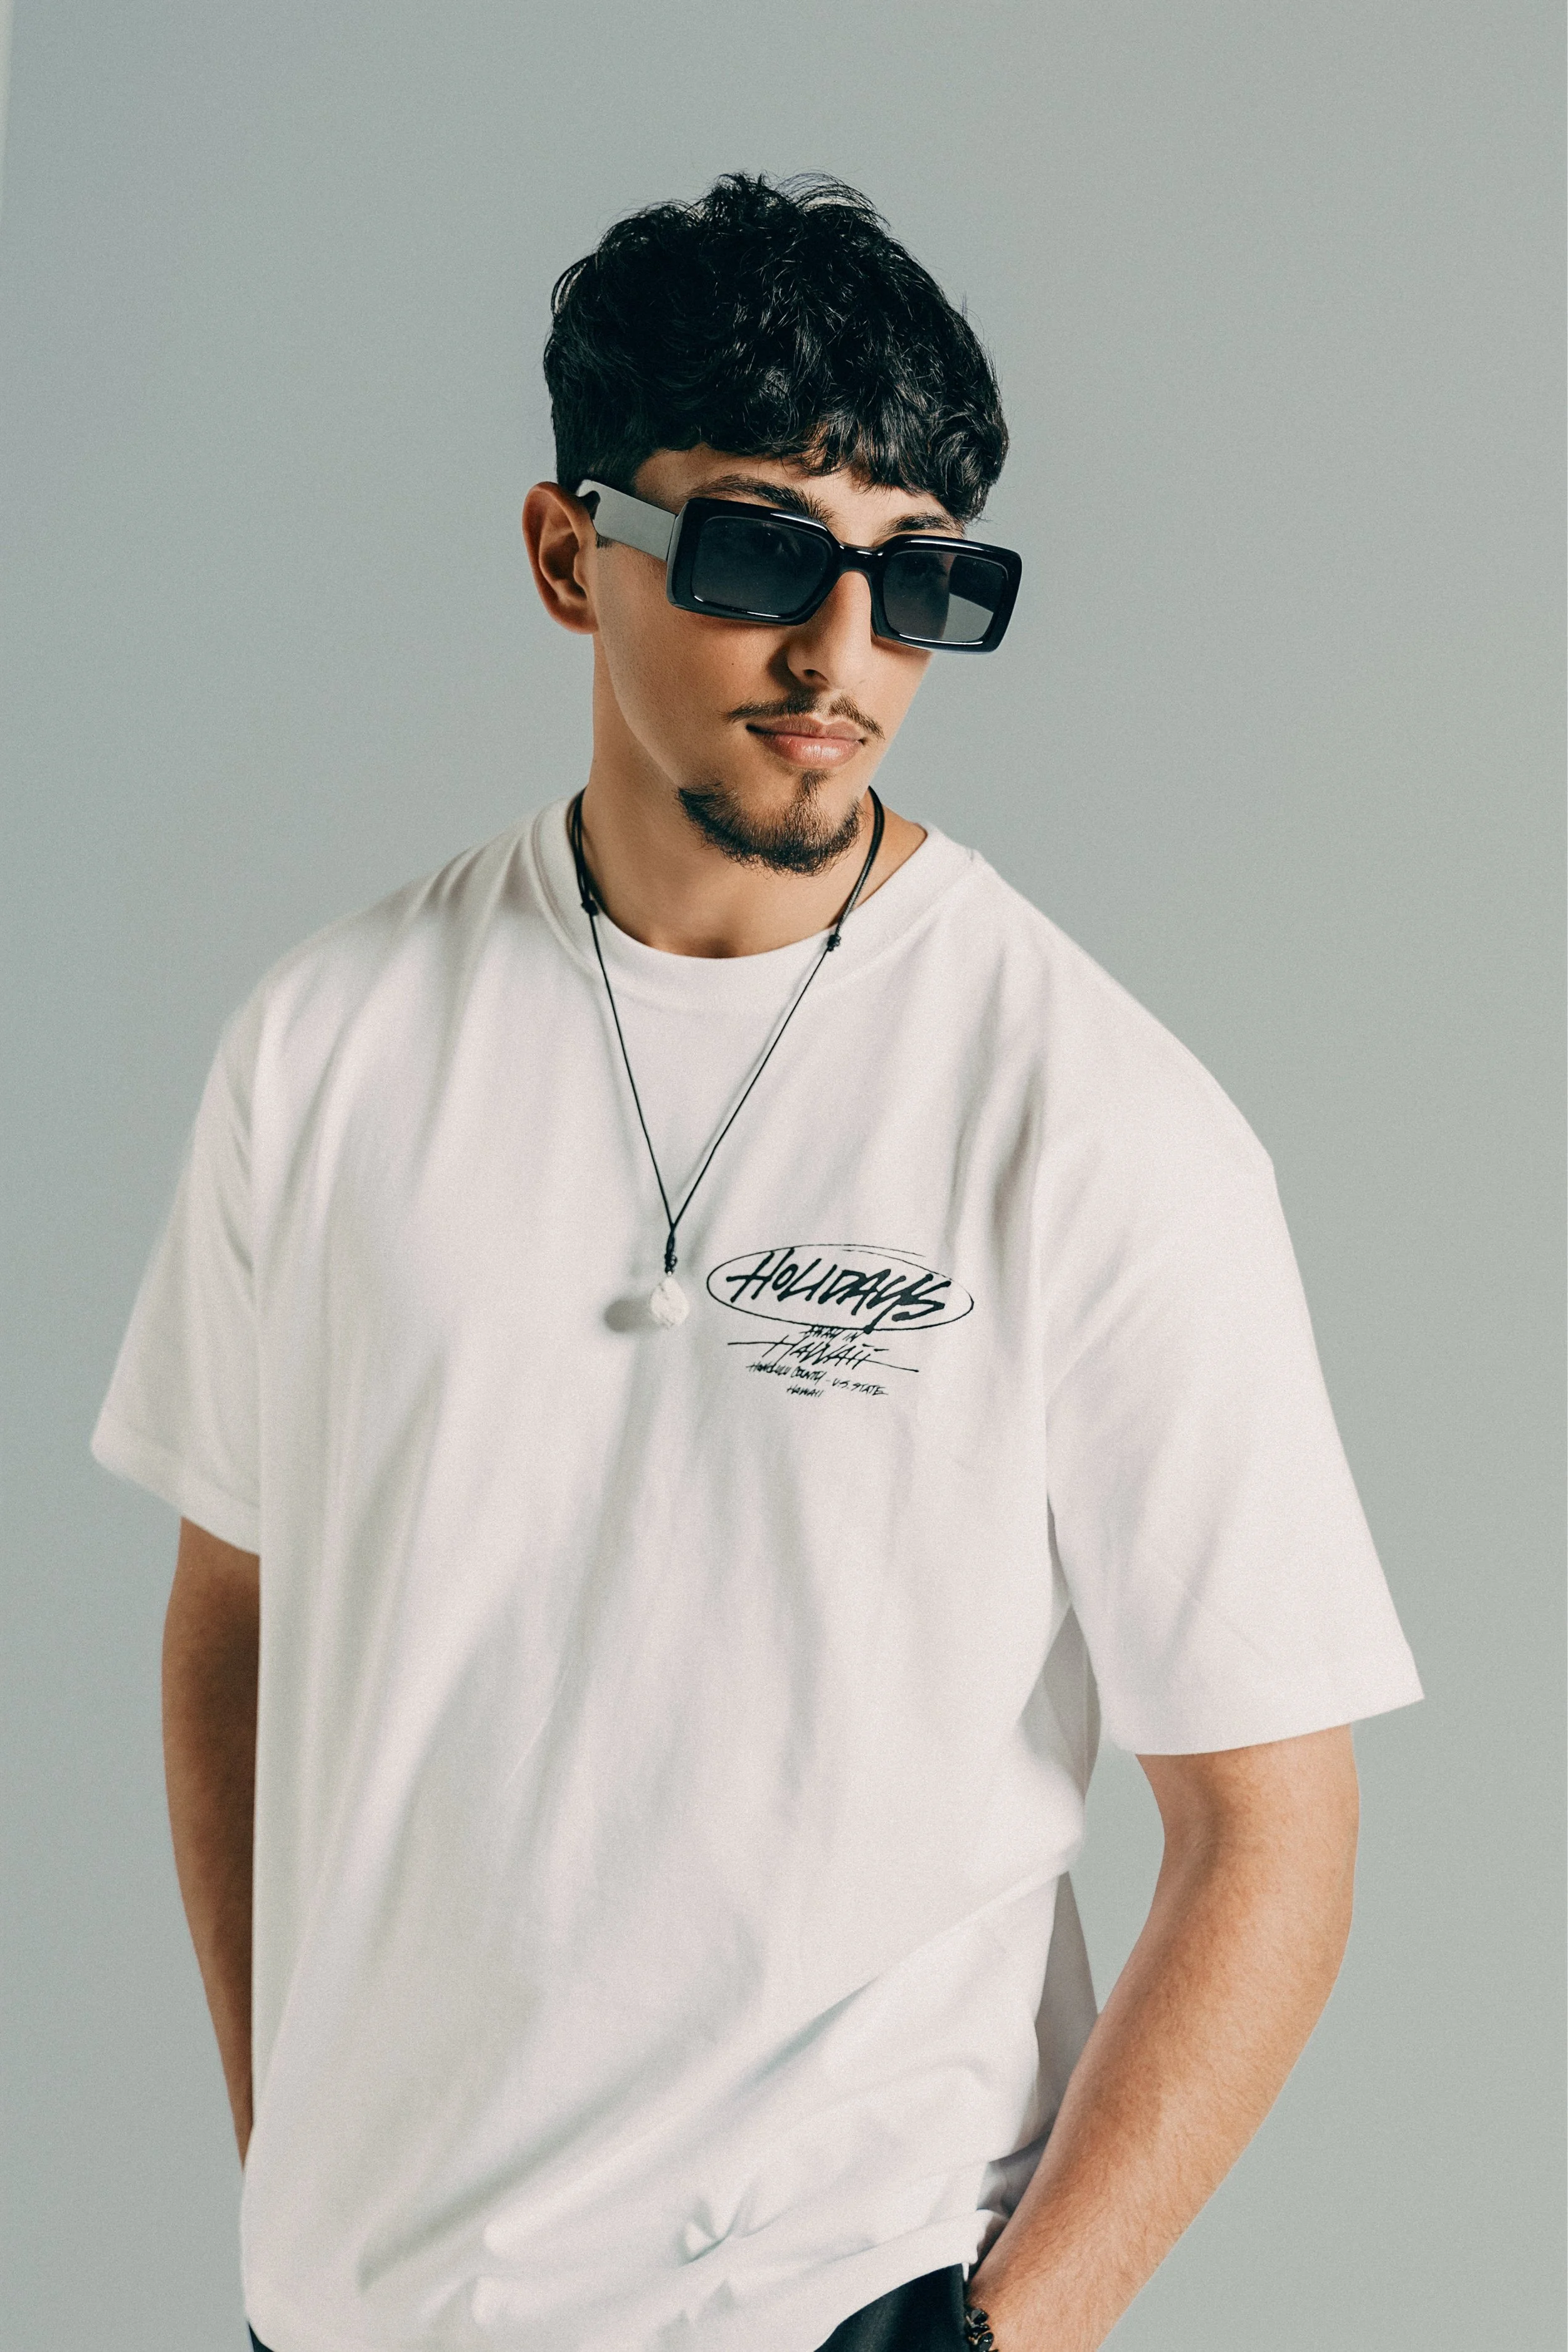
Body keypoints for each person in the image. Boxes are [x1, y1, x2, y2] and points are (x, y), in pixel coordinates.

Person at [92, 174, 1422, 2352]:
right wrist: (304, 2174)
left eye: (919, 585)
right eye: (755, 554)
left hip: (830, 2301)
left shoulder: (1093, 1118)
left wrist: (999, 2341)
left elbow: (1274, 1829)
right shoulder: (325, 1045)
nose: (837, 658)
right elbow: (231, 1622)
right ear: (564, 554)